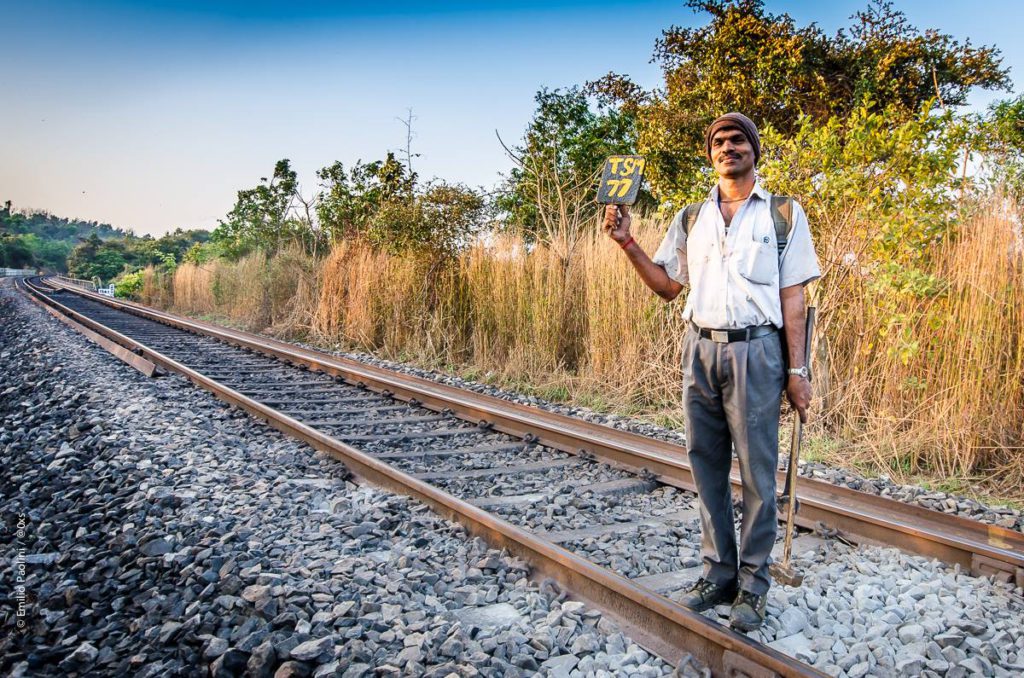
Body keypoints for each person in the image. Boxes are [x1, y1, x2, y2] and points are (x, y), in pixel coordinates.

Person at [603, 112, 820, 631]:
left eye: (738, 139)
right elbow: (667, 286)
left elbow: (794, 297)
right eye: (720, 141)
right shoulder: (689, 217)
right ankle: (718, 573)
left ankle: (753, 584)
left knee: (757, 474)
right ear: (711, 155)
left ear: (754, 150)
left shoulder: (783, 214)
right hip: (699, 348)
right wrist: (627, 243)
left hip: (758, 351)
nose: (728, 147)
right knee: (705, 465)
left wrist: (798, 369)